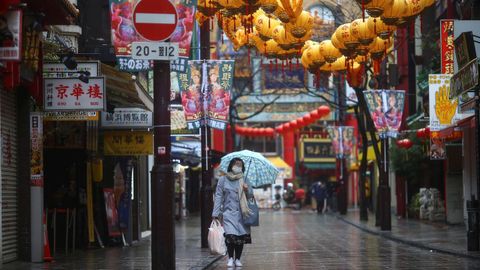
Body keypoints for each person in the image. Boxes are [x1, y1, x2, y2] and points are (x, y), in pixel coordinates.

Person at [212, 158, 253, 268]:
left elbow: (251, 197)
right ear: (231, 165)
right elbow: (218, 196)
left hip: (242, 214)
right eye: (236, 164)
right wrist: (215, 213)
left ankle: (238, 259)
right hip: (228, 213)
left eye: (240, 165)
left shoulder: (245, 179)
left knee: (240, 239)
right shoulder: (223, 179)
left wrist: (247, 190)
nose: (238, 166)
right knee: (230, 237)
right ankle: (230, 258)